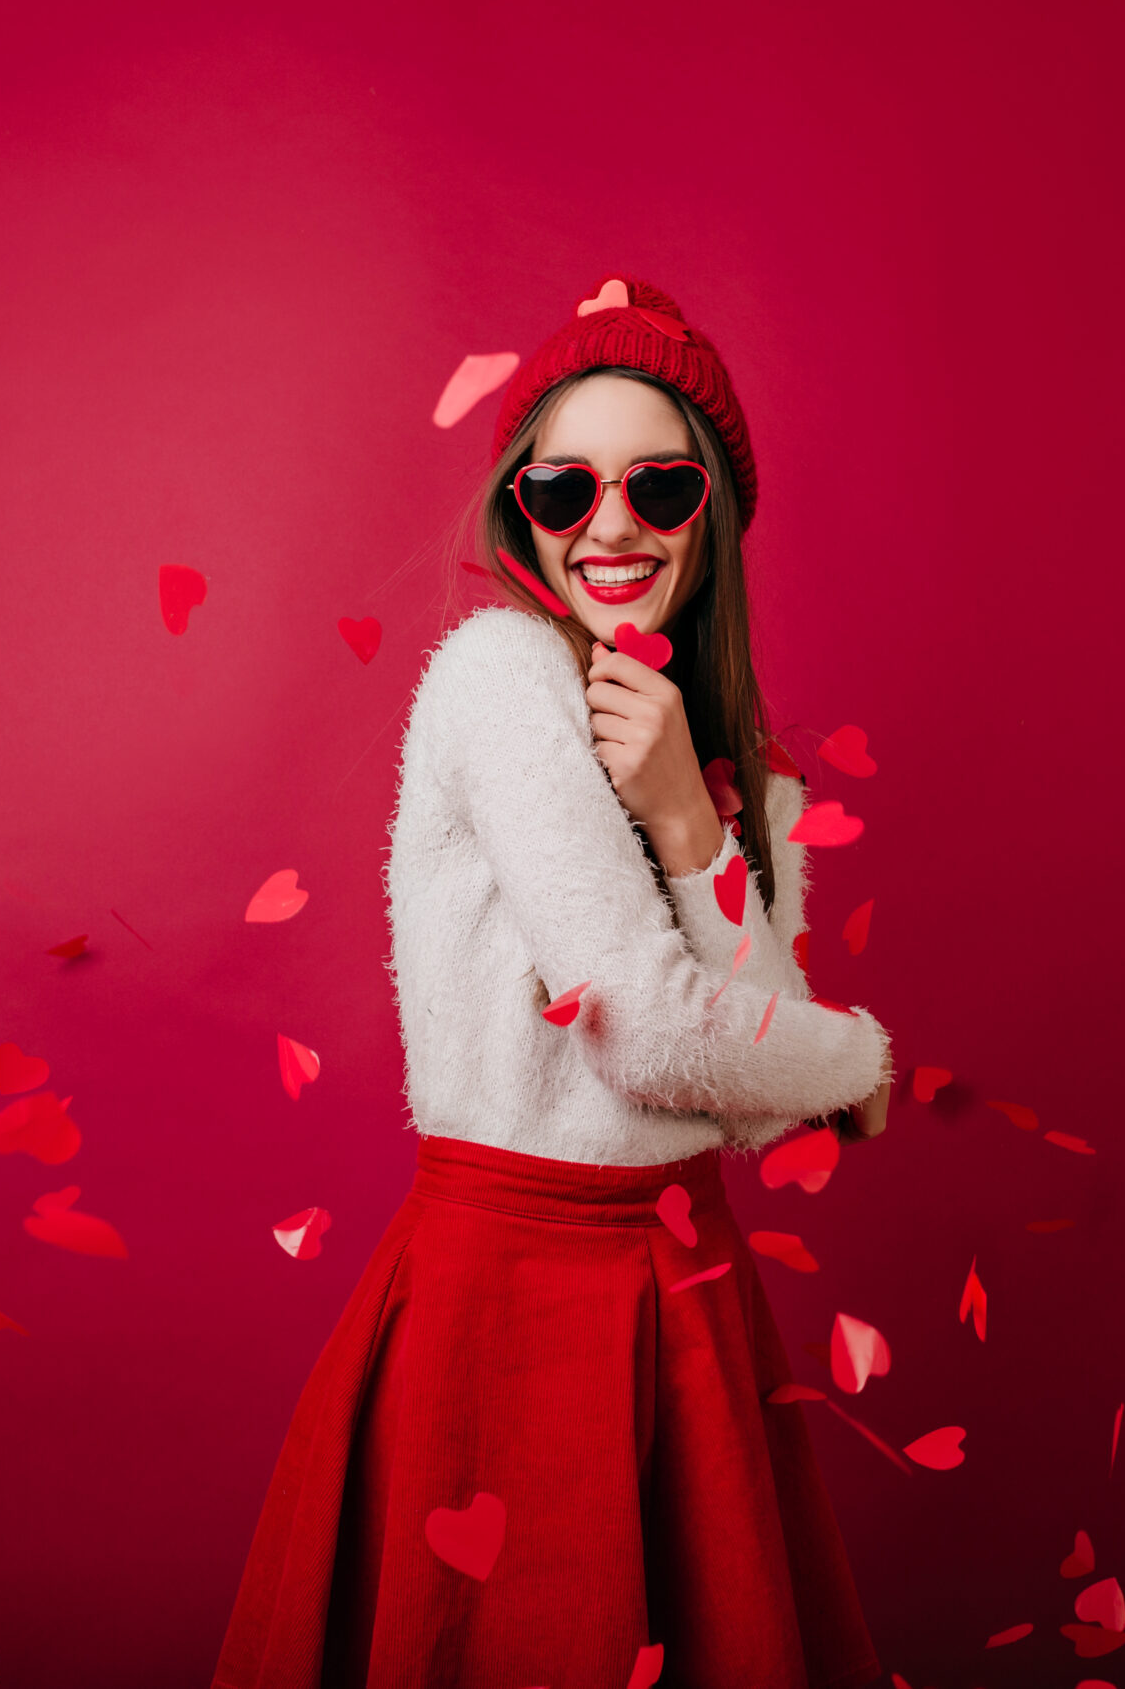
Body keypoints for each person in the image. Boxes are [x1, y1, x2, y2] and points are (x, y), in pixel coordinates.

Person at [215, 276, 898, 1689]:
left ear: (712, 514)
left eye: (660, 486)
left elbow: (753, 1109)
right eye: (562, 486)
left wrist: (688, 819)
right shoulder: (496, 674)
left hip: (686, 1297)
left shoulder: (744, 788)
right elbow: (660, 1035)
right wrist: (864, 1065)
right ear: (516, 507)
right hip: (506, 1292)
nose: (611, 527)